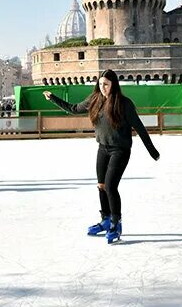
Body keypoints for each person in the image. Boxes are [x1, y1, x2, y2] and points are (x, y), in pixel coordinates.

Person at [43, 70, 159, 245]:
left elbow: (139, 127)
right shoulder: (95, 100)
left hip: (120, 150)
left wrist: (152, 151)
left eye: (106, 84)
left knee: (111, 186)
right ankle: (106, 219)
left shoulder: (124, 103)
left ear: (113, 85)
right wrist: (53, 98)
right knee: (101, 185)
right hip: (103, 148)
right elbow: (74, 109)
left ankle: (116, 223)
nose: (103, 87)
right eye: (100, 84)